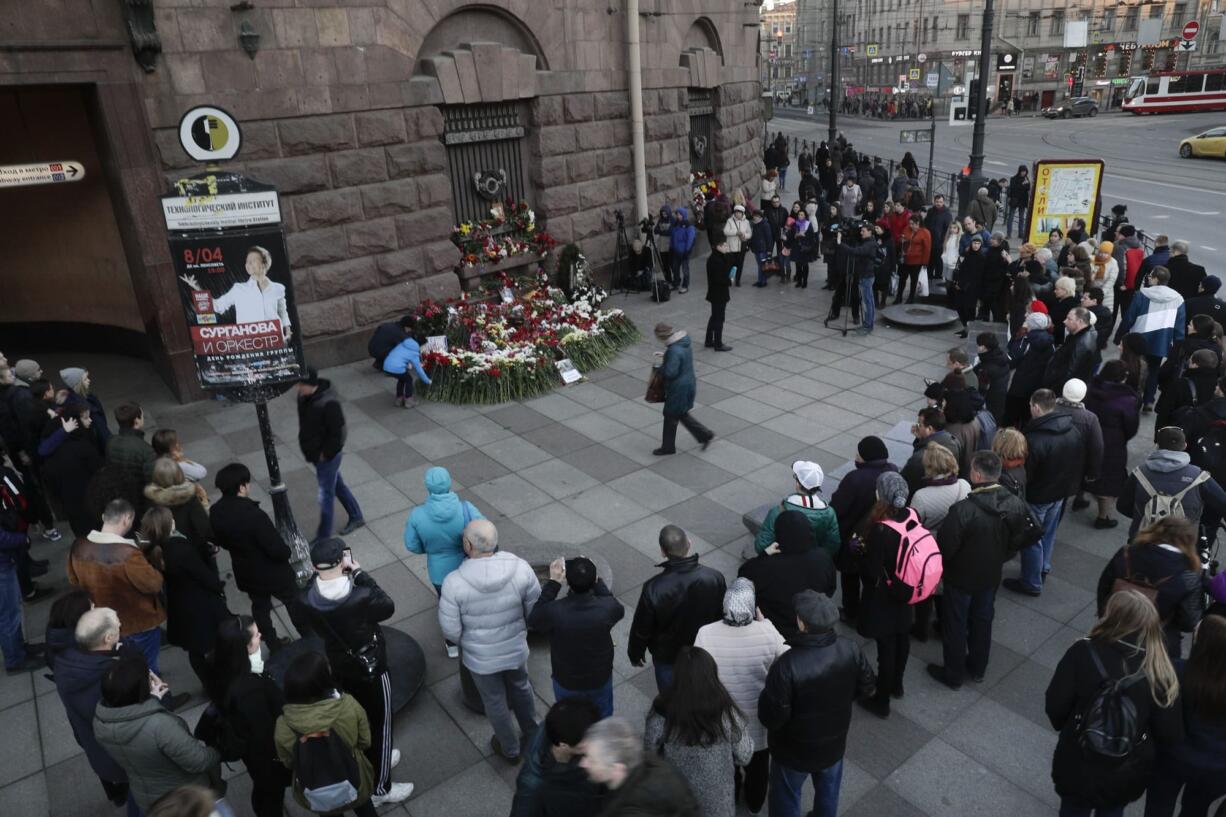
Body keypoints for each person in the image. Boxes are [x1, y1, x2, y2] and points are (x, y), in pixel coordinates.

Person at [1045, 591, 1183, 817]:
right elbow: (1170, 734)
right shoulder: (1160, 671)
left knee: (1073, 809)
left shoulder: (1082, 651)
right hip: (1127, 767)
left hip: (1078, 759)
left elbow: (1055, 707)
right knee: (1112, 809)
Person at [300, 538, 412, 805]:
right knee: (382, 723)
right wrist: (360, 573)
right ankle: (381, 789)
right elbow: (387, 606)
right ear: (342, 561)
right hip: (371, 666)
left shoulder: (306, 597)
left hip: (340, 664)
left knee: (359, 718)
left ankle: (374, 761)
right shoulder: (360, 595)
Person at [758, 590, 875, 817]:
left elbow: (772, 717)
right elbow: (868, 688)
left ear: (802, 624)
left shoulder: (787, 665)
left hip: (793, 751)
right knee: (828, 793)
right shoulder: (850, 648)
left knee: (786, 798)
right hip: (833, 744)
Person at [927, 452, 1034, 688]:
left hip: (960, 578)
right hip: (990, 575)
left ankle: (953, 674)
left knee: (956, 625)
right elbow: (1017, 540)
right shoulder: (1014, 503)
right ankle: (978, 668)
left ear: (976, 474)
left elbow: (946, 547)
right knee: (982, 621)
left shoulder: (962, 510)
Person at [439, 519, 540, 760]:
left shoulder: (454, 582)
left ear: (467, 544)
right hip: (515, 649)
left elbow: (450, 630)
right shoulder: (520, 568)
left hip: (481, 660)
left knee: (494, 701)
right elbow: (535, 610)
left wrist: (470, 643)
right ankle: (534, 734)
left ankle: (510, 748)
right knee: (522, 687)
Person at [693, 578, 786, 815]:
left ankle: (732, 795)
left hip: (721, 719)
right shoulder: (767, 632)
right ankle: (755, 801)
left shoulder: (706, 633)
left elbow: (699, 675)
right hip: (758, 720)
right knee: (759, 766)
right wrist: (768, 625)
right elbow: (790, 662)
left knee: (728, 765)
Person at [93, 651, 221, 813]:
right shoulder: (161, 726)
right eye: (149, 676)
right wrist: (219, 750)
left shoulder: (101, 722)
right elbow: (198, 760)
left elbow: (133, 720)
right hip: (184, 799)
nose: (153, 677)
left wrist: (153, 700)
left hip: (148, 796)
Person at [210, 462, 310, 650]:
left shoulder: (216, 512)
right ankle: (308, 634)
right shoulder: (253, 515)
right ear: (241, 486)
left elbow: (220, 540)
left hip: (246, 572)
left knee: (260, 607)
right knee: (293, 601)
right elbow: (275, 548)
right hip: (273, 572)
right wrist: (287, 553)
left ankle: (272, 643)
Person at [643, 645, 752, 817]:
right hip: (718, 802)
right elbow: (744, 755)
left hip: (676, 798)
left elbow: (650, 752)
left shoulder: (662, 711)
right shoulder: (725, 711)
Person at [274, 652, 383, 817]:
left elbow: (288, 761)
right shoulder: (348, 706)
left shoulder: (284, 725)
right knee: (365, 809)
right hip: (354, 777)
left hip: (316, 787)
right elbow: (365, 741)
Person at [67, 499, 169, 674]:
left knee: (127, 656)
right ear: (127, 519)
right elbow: (153, 584)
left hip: (107, 622)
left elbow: (74, 581)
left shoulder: (78, 546)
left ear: (103, 517)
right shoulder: (128, 554)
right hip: (138, 620)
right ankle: (156, 691)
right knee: (148, 662)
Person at [52, 608, 136, 815]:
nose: (121, 627)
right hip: (124, 755)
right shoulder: (108, 678)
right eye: (118, 625)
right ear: (108, 637)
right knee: (139, 797)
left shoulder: (68, 662)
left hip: (96, 747)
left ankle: (119, 795)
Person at [207, 615, 290, 817]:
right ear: (243, 647)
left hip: (249, 749)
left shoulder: (220, 666)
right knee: (271, 795)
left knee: (263, 789)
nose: (260, 635)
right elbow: (264, 732)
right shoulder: (250, 688)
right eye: (255, 635)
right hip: (265, 754)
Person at [1144, 615, 1226, 817]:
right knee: (1195, 809)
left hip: (1172, 757)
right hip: (1217, 766)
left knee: (1159, 805)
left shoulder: (1177, 671)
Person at [628, 524, 725, 692]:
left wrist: (635, 653)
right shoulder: (714, 577)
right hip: (704, 650)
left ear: (663, 552)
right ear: (689, 543)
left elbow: (642, 627)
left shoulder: (654, 587)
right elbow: (721, 614)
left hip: (668, 655)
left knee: (669, 698)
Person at [1005, 390, 1082, 597]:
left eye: (1030, 405)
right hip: (1059, 492)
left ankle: (1031, 582)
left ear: (1036, 407)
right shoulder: (1072, 430)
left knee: (1031, 539)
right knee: (1048, 532)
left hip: (1038, 495)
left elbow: (1027, 475)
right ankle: (1043, 567)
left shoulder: (1034, 439)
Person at [853, 472, 917, 718]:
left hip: (885, 595)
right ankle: (897, 685)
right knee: (903, 637)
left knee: (886, 647)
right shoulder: (912, 515)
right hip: (907, 589)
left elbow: (871, 571)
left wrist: (858, 551)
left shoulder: (881, 530)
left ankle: (882, 700)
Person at [528, 555, 624, 717]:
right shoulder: (607, 608)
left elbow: (534, 619)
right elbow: (613, 605)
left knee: (569, 719)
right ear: (594, 581)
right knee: (603, 715)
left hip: (567, 679)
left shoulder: (555, 611)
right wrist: (596, 580)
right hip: (599, 677)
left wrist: (553, 583)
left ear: (567, 582)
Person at [404, 465, 484, 658]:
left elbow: (412, 545)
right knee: (472, 601)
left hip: (439, 571)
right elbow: (484, 533)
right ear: (449, 483)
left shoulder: (417, 515)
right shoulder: (466, 508)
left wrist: (431, 550)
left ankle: (452, 645)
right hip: (467, 566)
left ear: (427, 487)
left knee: (447, 606)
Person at [140, 505, 226, 686]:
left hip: (180, 605)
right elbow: (204, 576)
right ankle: (218, 683)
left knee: (195, 650)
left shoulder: (156, 549)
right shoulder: (180, 549)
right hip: (199, 604)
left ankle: (208, 683)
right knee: (213, 646)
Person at [1097, 516, 1204, 659]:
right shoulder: (1188, 576)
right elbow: (1188, 622)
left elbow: (1103, 588)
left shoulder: (1126, 553)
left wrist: (1105, 619)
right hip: (1157, 643)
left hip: (1114, 628)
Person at [740, 509, 837, 640]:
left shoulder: (767, 566)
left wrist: (764, 554)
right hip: (810, 624)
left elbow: (744, 575)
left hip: (776, 628)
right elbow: (830, 588)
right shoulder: (823, 557)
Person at [1117, 426, 1226, 541]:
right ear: (1185, 446)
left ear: (1158, 445)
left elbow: (1122, 506)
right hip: (1183, 545)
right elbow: (1222, 504)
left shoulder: (1139, 473)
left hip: (1141, 542)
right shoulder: (1199, 477)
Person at [831, 436, 897, 623]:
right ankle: (869, 611)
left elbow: (837, 507)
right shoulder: (892, 469)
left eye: (858, 454)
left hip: (853, 536)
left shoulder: (854, 478)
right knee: (870, 577)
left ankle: (851, 612)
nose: (856, 456)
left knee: (850, 575)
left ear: (864, 457)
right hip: (880, 534)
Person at [579, 717, 700, 817]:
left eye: (592, 760)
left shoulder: (634, 809)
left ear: (617, 769)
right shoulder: (648, 762)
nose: (583, 763)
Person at [297, 367, 365, 541]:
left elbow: (338, 433)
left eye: (302, 384)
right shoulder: (304, 398)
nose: (298, 387)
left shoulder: (328, 403)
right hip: (317, 454)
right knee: (337, 485)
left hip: (326, 457)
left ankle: (323, 537)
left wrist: (324, 455)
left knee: (325, 495)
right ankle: (356, 516)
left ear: (311, 384)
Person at [511, 697, 606, 817]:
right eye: (586, 743)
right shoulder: (533, 785)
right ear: (563, 745)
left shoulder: (561, 730)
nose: (595, 744)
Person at [180, 244, 292, 341]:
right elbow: (217, 306)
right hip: (250, 343)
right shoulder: (238, 289)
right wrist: (197, 288)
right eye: (247, 261)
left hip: (276, 341)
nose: (248, 264)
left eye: (252, 260)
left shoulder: (278, 288)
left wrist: (288, 331)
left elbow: (283, 312)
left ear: (264, 263)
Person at [1114, 266, 1186, 412]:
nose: (1148, 278)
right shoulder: (1178, 299)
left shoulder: (1142, 294)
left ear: (1156, 279)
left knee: (1134, 368)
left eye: (1150, 276)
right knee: (1153, 371)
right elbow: (1179, 325)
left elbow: (1129, 317)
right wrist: (1177, 345)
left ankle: (1132, 397)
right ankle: (1149, 400)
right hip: (1161, 342)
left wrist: (1120, 335)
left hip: (1139, 339)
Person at [1080, 361, 1141, 529]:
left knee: (1083, 467)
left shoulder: (1090, 389)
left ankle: (1079, 497)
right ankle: (1103, 517)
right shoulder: (1127, 399)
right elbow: (1131, 426)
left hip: (1087, 436)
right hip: (1112, 443)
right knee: (1108, 480)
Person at [753, 460, 839, 560]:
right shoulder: (829, 513)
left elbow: (761, 546)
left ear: (798, 484)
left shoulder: (778, 512)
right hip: (811, 564)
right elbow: (833, 545)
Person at [651, 323, 714, 456]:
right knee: (680, 414)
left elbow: (670, 373)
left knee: (670, 415)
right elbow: (678, 360)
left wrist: (659, 367)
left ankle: (668, 447)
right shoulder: (682, 343)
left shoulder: (673, 350)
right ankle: (704, 435)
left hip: (678, 389)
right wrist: (666, 357)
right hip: (687, 385)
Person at [144, 457, 213, 552]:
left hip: (167, 548)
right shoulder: (189, 498)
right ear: (179, 474)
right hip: (193, 546)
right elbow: (204, 527)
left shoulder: (151, 499)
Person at [1004, 313, 1055, 427]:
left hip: (1019, 384)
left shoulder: (1026, 341)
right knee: (1027, 413)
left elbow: (1012, 359)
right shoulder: (1050, 343)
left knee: (1011, 414)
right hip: (1036, 384)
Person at [901, 407, 961, 496]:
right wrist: (920, 439)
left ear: (929, 429)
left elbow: (905, 479)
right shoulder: (954, 441)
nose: (917, 427)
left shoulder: (920, 458)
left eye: (920, 425)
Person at [1046, 307, 1099, 391]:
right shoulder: (1078, 335)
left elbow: (1070, 372)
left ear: (1080, 322)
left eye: (1069, 319)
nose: (1064, 321)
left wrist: (1052, 388)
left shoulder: (1082, 343)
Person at [381, 321, 431, 408]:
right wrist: (427, 381)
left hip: (387, 365)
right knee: (408, 379)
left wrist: (407, 364)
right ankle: (409, 400)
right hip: (396, 368)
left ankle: (399, 399)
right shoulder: (414, 352)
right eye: (424, 347)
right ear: (420, 345)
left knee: (402, 379)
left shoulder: (404, 343)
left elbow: (400, 355)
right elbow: (419, 370)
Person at [60, 367, 111, 448]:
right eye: (85, 379)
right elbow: (103, 433)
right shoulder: (87, 408)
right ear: (78, 384)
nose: (89, 380)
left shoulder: (73, 398)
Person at [952, 234, 986, 338]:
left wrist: (963, 285)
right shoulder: (968, 254)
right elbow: (962, 270)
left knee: (969, 310)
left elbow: (977, 276)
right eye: (974, 243)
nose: (976, 245)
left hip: (972, 289)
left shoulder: (981, 257)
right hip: (961, 286)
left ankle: (969, 329)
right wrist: (957, 282)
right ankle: (965, 327)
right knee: (959, 307)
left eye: (978, 243)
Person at [895, 213, 932, 305]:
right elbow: (901, 238)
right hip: (905, 259)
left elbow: (927, 248)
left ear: (918, 223)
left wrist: (925, 262)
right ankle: (899, 297)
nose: (910, 225)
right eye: (909, 223)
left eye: (912, 224)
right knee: (902, 279)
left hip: (917, 261)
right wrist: (902, 240)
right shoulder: (907, 229)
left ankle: (911, 298)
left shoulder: (925, 232)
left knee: (914, 280)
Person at [973, 332, 1010, 423]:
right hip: (1000, 399)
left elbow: (981, 391)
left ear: (984, 347)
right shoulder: (1002, 357)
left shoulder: (986, 369)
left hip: (990, 403)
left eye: (979, 345)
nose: (977, 347)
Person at [723, 204, 753, 287]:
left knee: (739, 264)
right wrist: (736, 233)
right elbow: (725, 232)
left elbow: (749, 234)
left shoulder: (746, 222)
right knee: (730, 264)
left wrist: (744, 235)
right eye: (736, 212)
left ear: (743, 213)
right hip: (731, 247)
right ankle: (729, 279)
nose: (737, 214)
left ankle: (738, 280)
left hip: (741, 247)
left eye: (739, 212)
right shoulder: (729, 221)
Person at [668, 207, 696, 293]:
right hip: (676, 251)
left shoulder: (688, 225)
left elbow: (690, 239)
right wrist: (671, 247)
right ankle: (676, 283)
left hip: (684, 252)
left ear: (683, 215)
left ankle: (685, 285)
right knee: (675, 268)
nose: (678, 216)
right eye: (677, 214)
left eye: (680, 214)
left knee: (685, 269)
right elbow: (672, 237)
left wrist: (687, 251)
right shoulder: (676, 225)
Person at [748, 209, 774, 287]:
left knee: (763, 265)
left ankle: (763, 282)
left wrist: (769, 250)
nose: (755, 217)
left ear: (761, 217)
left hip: (763, 249)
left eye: (757, 216)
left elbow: (769, 238)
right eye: (754, 216)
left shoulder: (765, 225)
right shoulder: (754, 224)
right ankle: (760, 280)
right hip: (756, 248)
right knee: (760, 265)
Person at [1005, 165, 1030, 239]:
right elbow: (1014, 189)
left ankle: (1021, 233)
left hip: (1022, 200)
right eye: (1022, 171)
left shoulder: (1026, 179)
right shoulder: (1013, 179)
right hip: (1014, 200)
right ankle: (1009, 234)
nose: (1023, 173)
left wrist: (1026, 184)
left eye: (1025, 172)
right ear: (1019, 171)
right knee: (1011, 217)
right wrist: (1023, 185)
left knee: (1021, 218)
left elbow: (1028, 188)